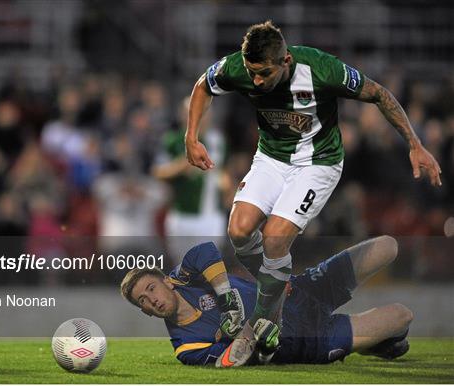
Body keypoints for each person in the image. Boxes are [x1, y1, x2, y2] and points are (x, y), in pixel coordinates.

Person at [184, 20, 440, 365]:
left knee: (275, 238)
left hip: (318, 163)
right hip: (272, 157)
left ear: (285, 61)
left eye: (263, 74)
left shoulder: (321, 69)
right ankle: (279, 288)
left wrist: (414, 143)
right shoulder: (238, 67)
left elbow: (379, 93)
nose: (256, 81)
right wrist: (191, 136)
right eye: (251, 73)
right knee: (239, 230)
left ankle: (263, 322)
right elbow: (203, 85)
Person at [120, 236, 413, 367]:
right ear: (144, 312)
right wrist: (261, 341)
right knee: (401, 316)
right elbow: (232, 360)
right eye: (142, 301)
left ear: (166, 281)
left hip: (300, 290)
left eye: (150, 288)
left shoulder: (186, 277)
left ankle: (378, 342)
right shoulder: (186, 346)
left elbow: (206, 250)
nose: (151, 300)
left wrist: (227, 301)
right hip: (305, 340)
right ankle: (381, 343)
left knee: (388, 245)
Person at [152, 96, 227, 260]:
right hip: (181, 215)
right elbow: (158, 172)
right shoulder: (172, 141)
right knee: (182, 270)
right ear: (183, 115)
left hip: (211, 216)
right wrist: (182, 165)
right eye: (191, 113)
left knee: (209, 270)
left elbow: (224, 173)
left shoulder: (218, 141)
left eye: (203, 112)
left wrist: (226, 184)